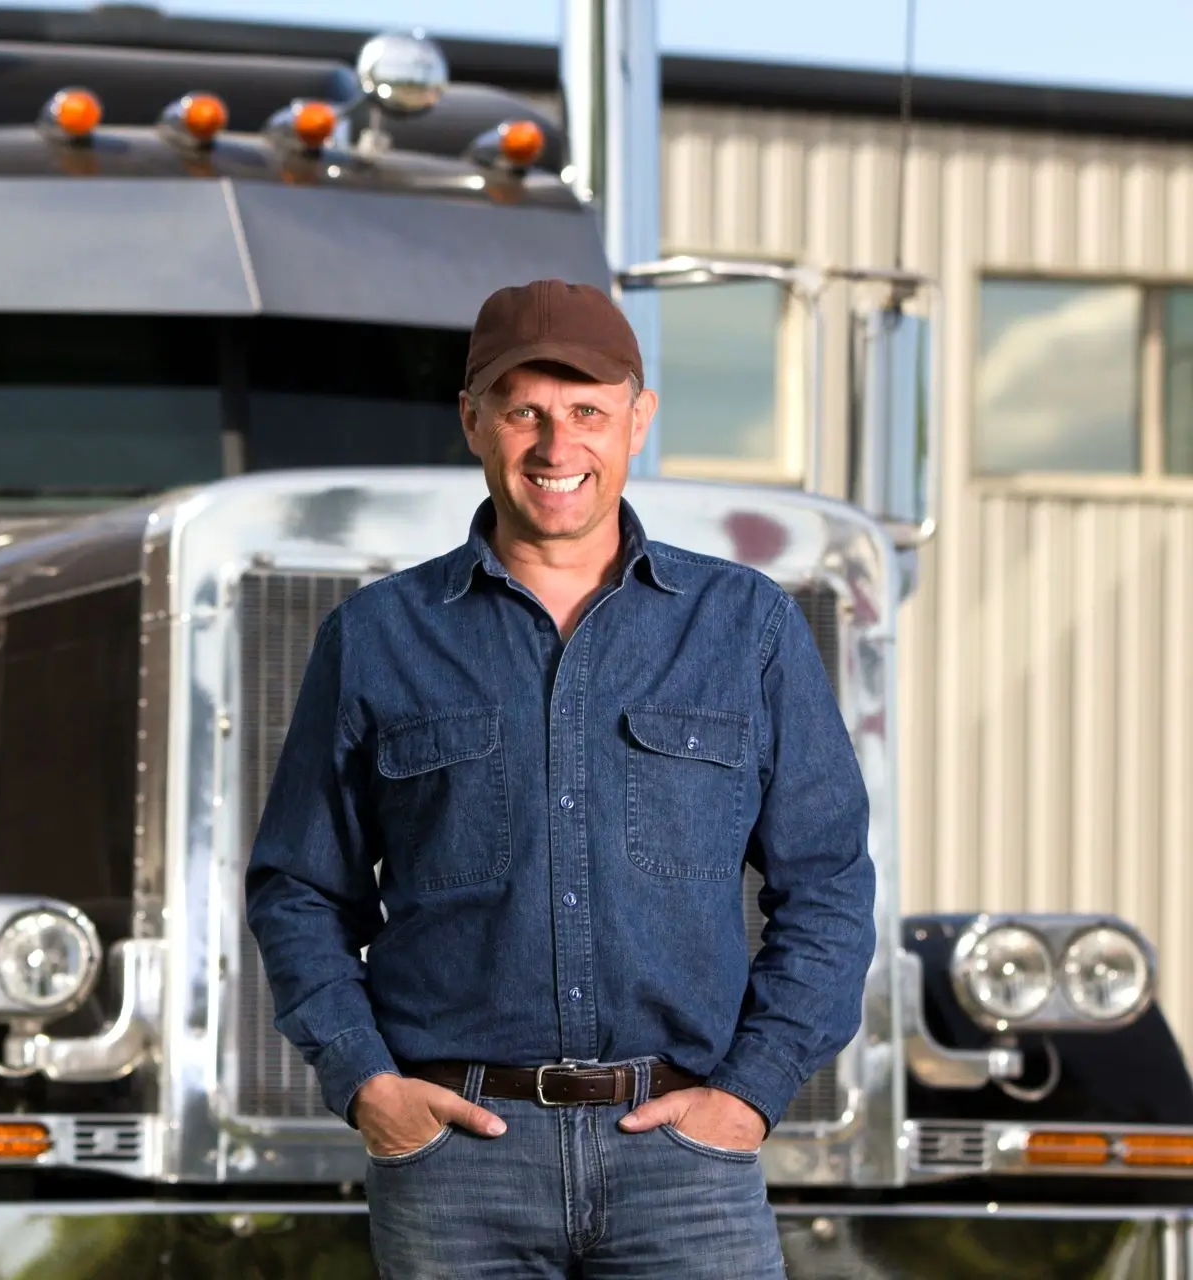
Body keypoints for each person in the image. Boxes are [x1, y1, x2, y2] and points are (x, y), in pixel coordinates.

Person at [243, 278, 876, 1277]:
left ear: (638, 419)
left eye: (586, 410)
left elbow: (829, 879)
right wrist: (368, 1081)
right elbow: (297, 887)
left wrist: (753, 1088)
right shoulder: (378, 634)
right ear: (473, 421)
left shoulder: (743, 626)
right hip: (459, 1166)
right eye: (524, 410)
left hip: (684, 1159)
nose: (556, 444)